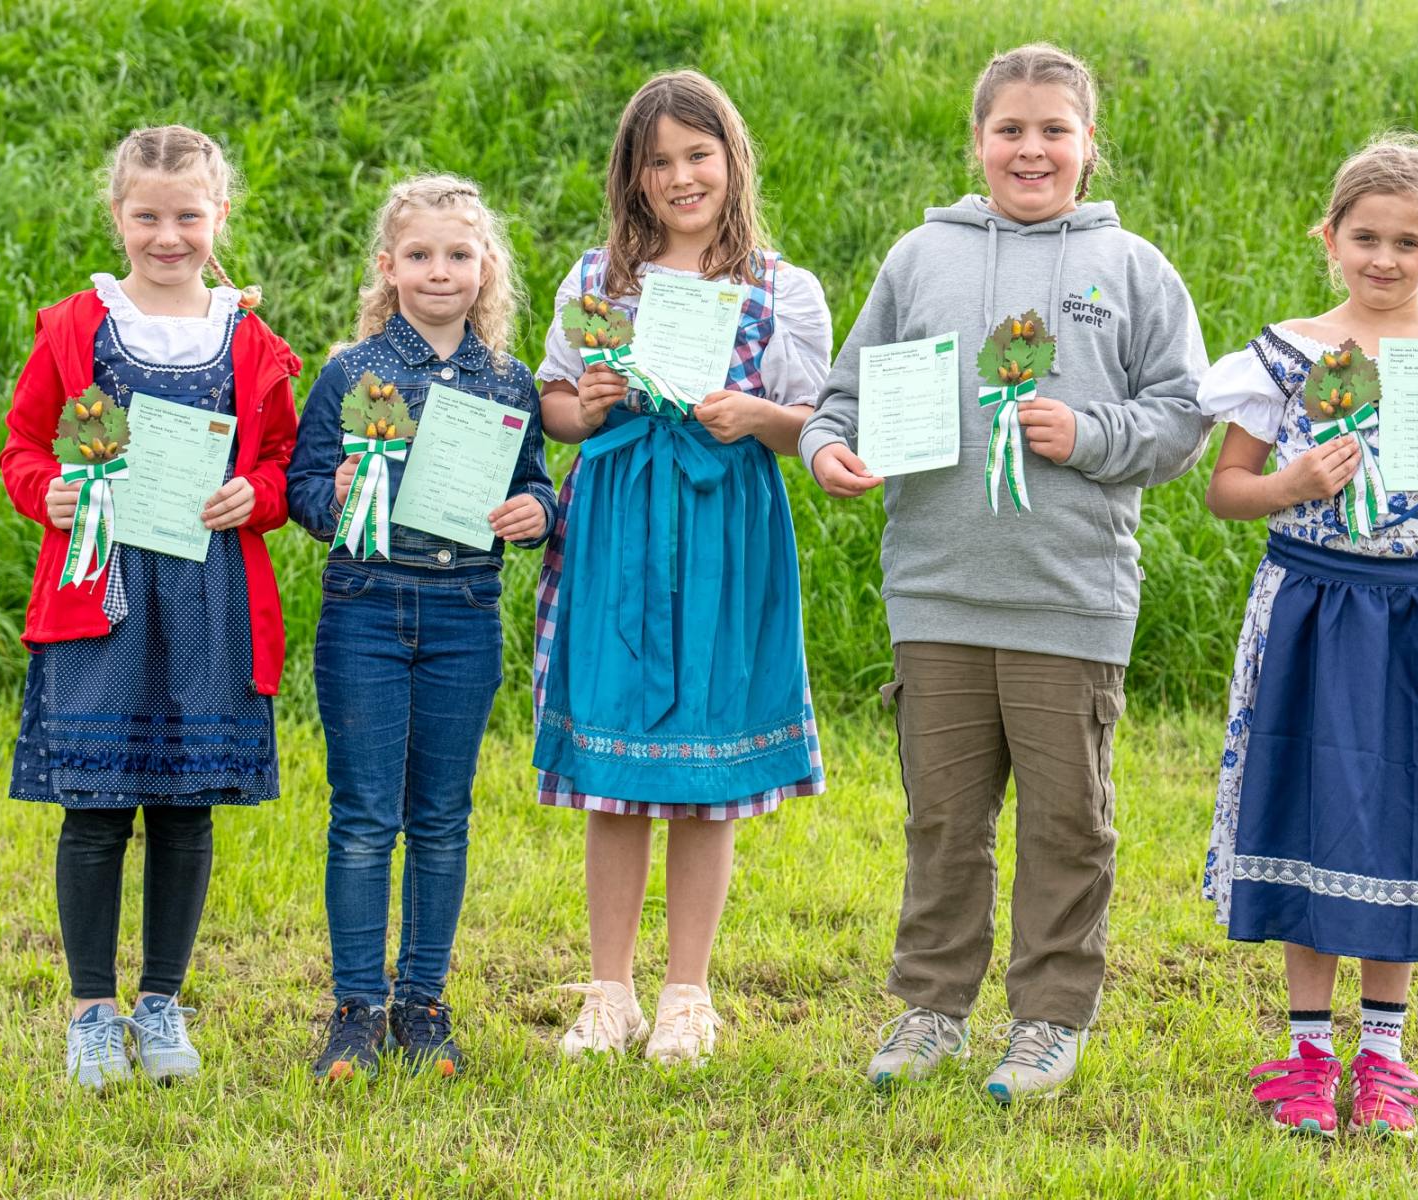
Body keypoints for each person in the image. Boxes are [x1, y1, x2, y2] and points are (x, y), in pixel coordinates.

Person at [801, 43, 1210, 1102]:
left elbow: (1180, 422)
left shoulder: (1134, 270)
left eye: (1054, 131)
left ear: (1088, 144)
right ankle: (932, 1006)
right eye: (1011, 130)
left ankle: (1047, 1021)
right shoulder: (918, 258)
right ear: (978, 140)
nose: (1032, 150)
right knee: (943, 818)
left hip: (1069, 598)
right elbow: (845, 398)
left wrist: (1088, 430)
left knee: (1068, 822)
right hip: (935, 590)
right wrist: (827, 452)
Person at [1198, 132, 1418, 1138]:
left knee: (1409, 812)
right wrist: (1291, 485)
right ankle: (1308, 1052)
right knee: (1313, 809)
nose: (1385, 259)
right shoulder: (1286, 355)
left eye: (1409, 241)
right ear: (1331, 236)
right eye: (1366, 237)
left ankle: (1385, 1055)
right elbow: (1227, 490)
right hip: (1313, 606)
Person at [534, 70, 831, 1065]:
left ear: (731, 160)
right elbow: (557, 409)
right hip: (617, 523)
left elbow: (813, 426)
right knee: (615, 763)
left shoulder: (781, 289)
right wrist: (597, 401)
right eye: (658, 161)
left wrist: (759, 417)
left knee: (706, 766)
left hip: (722, 531)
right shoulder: (597, 280)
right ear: (634, 176)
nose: (679, 175)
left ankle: (687, 993)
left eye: (697, 154)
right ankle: (610, 989)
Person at [0, 124, 300, 1089]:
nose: (167, 237)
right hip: (105, 594)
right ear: (118, 216)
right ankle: (92, 1010)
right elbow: (23, 445)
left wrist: (258, 494)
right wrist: (43, 487)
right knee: (95, 809)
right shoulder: (74, 327)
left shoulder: (248, 337)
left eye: (187, 217)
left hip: (209, 595)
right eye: (147, 217)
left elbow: (286, 464)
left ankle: (163, 999)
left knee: (183, 807)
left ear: (219, 217)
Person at [287, 174, 555, 1081]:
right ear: (388, 267)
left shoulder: (508, 380)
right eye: (420, 255)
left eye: (459, 254)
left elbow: (536, 480)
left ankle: (424, 1005)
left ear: (486, 269)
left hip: (464, 612)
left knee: (441, 818)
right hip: (365, 606)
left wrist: (536, 512)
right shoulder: (349, 372)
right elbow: (300, 486)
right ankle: (356, 1009)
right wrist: (336, 500)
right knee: (364, 817)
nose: (440, 271)